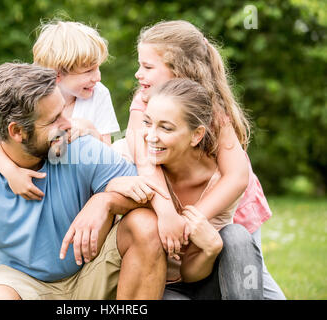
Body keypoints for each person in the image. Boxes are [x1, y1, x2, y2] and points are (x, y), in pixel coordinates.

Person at [0, 62, 168, 300]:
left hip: (90, 273)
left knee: (145, 225)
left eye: (63, 111)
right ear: (17, 132)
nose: (69, 124)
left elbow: (152, 195)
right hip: (20, 284)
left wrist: (105, 201)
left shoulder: (77, 146)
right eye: (54, 119)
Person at [112, 20, 285, 300]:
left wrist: (192, 221)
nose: (138, 73)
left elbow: (237, 177)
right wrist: (169, 214)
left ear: (178, 69)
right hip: (180, 200)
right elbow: (145, 160)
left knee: (253, 279)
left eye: (147, 66)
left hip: (229, 203)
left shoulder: (211, 106)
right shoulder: (145, 101)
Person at [107, 78, 263, 299]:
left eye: (166, 128)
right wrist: (113, 185)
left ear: (196, 135)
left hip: (203, 280)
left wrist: (210, 250)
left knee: (237, 236)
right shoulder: (125, 156)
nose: (150, 136)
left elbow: (189, 274)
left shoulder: (220, 183)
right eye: (147, 122)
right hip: (156, 287)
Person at [0, 20, 120, 201]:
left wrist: (90, 130)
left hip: (80, 195)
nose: (97, 77)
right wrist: (11, 172)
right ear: (57, 75)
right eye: (89, 71)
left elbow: (109, 158)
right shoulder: (32, 95)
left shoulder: (98, 94)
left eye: (98, 68)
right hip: (39, 190)